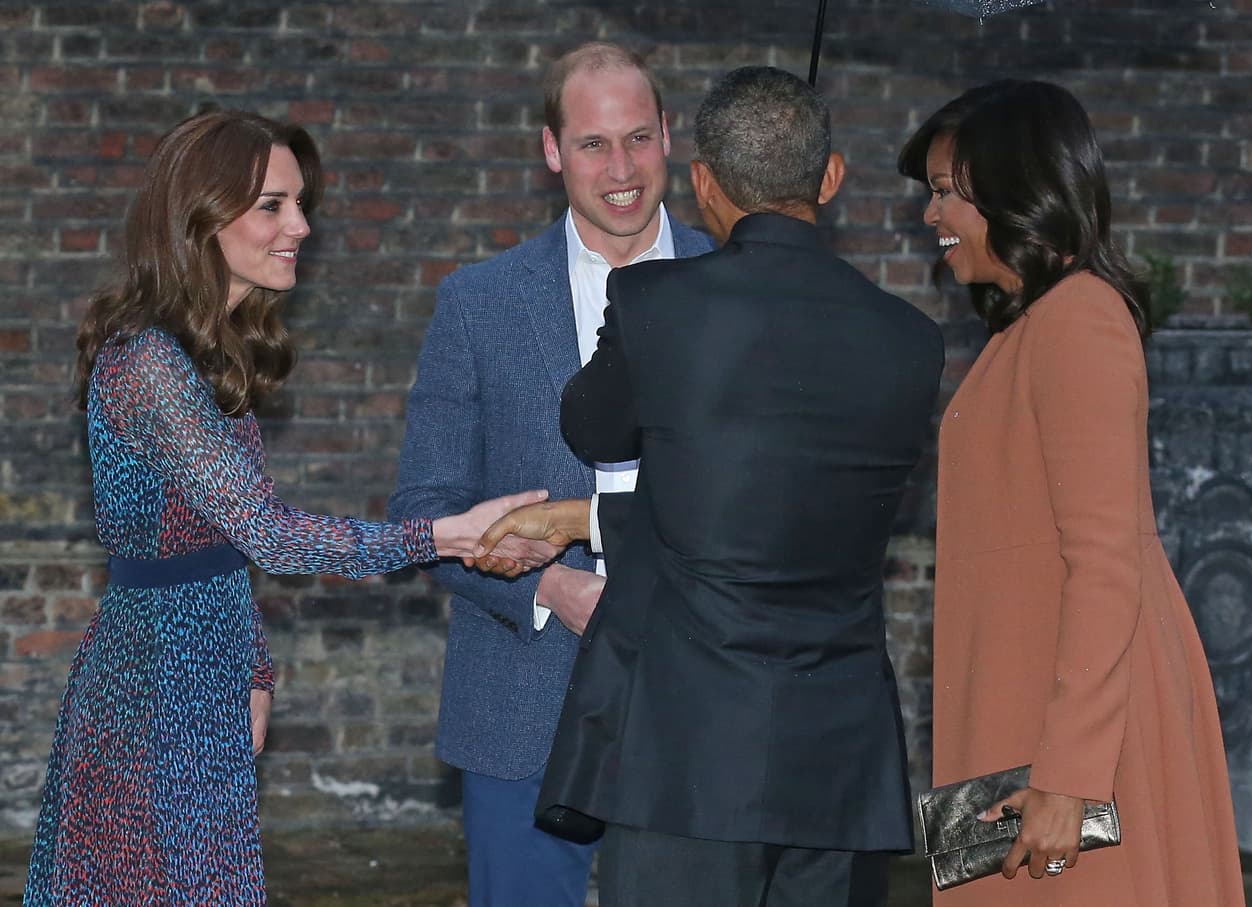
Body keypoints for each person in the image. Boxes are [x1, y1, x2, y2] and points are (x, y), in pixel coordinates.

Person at [23, 109, 552, 907]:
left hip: (202, 669)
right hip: (155, 690)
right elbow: (268, 533)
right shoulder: (149, 365)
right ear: (199, 217)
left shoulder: (209, 356)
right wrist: (443, 534)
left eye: (299, 202)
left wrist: (255, 667)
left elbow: (222, 542)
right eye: (273, 204)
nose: (300, 225)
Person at [483, 65, 946, 907]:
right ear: (832, 177)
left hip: (685, 756)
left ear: (702, 183)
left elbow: (592, 428)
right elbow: (782, 508)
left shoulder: (659, 304)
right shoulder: (911, 341)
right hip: (841, 763)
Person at [897, 79, 1247, 905]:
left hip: (1075, 737)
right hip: (1032, 709)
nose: (931, 216)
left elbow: (1104, 562)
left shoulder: (1079, 319)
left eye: (946, 192)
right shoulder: (1032, 326)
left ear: (1015, 187)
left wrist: (1070, 773)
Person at [386, 42, 714, 907]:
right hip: (521, 697)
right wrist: (553, 590)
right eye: (594, 144)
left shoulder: (734, 285)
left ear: (669, 138)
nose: (621, 169)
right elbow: (425, 506)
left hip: (706, 694)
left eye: (638, 139)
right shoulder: (480, 302)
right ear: (550, 150)